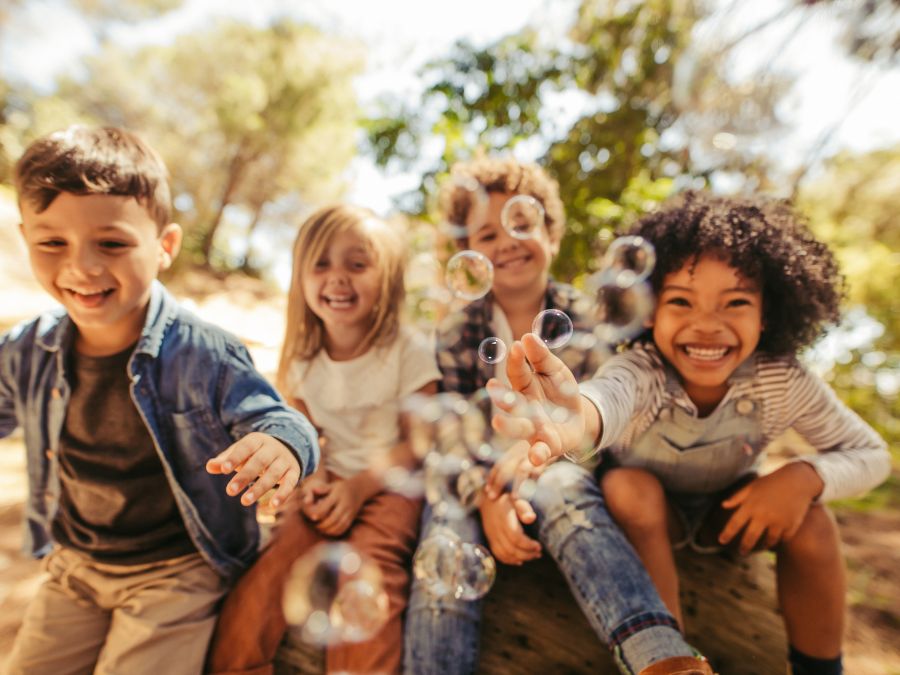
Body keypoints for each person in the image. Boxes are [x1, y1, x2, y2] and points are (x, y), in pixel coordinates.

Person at [489, 190, 890, 675]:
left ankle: (821, 668)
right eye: (681, 301)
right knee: (629, 486)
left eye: (735, 302)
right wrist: (578, 417)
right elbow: (607, 399)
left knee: (813, 518)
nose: (706, 326)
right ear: (649, 310)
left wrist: (804, 476)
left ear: (768, 315)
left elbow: (871, 453)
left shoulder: (780, 379)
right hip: (650, 514)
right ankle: (667, 658)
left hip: (731, 512)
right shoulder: (643, 369)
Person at [2, 125, 319, 675]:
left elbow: (280, 419)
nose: (82, 267)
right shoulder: (26, 349)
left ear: (164, 246)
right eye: (52, 243)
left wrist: (280, 446)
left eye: (112, 243)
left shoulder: (207, 353)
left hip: (176, 571)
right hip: (76, 566)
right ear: (26, 237)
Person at [405, 157, 712, 675]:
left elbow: (599, 430)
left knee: (565, 491)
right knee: (445, 529)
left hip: (560, 468)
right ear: (467, 256)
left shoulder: (588, 318)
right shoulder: (458, 333)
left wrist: (531, 468)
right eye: (486, 232)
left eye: (521, 224)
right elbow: (452, 435)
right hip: (476, 480)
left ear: (550, 233)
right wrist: (488, 496)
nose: (506, 241)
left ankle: (663, 659)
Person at [206, 204, 441, 675]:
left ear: (389, 278)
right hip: (328, 481)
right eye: (321, 264)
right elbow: (305, 433)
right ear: (301, 278)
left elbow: (419, 443)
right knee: (276, 562)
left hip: (392, 485)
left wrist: (357, 490)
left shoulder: (408, 349)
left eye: (357, 264)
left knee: (374, 570)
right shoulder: (302, 361)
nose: (337, 278)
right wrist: (317, 479)